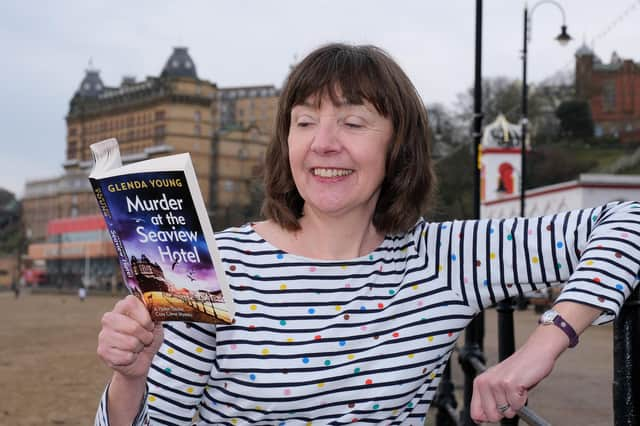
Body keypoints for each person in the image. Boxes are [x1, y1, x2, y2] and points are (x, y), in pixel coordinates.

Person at [95, 43, 640, 425]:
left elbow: (628, 219)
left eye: (353, 123)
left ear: (396, 146)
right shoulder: (211, 265)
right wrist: (130, 379)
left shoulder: (444, 259)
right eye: (305, 122)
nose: (323, 143)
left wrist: (547, 342)